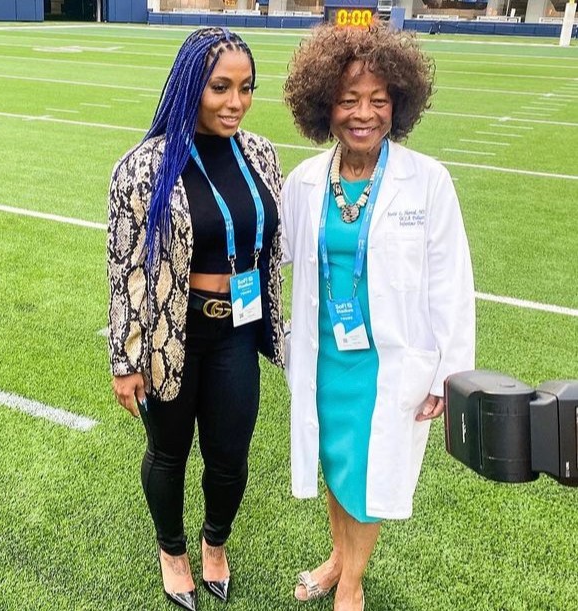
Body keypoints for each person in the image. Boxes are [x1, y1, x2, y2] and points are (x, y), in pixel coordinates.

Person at [281, 23, 475, 611]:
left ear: (399, 104)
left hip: (390, 360)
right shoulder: (305, 181)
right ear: (325, 106)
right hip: (326, 354)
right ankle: (338, 558)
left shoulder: (427, 181)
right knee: (337, 462)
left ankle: (351, 583)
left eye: (378, 100)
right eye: (348, 100)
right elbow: (271, 254)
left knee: (370, 472)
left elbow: (452, 282)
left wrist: (450, 372)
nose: (363, 114)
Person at [107, 27, 285, 611]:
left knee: (230, 457)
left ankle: (215, 542)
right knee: (169, 452)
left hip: (238, 330)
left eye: (246, 88)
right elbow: (125, 269)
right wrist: (126, 360)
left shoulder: (261, 153)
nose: (236, 102)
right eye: (220, 87)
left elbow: (273, 246)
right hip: (172, 334)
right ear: (191, 87)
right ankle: (173, 552)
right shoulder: (144, 167)